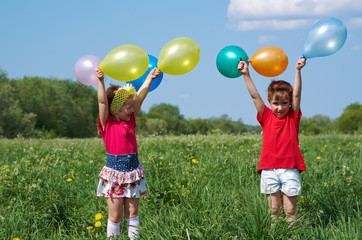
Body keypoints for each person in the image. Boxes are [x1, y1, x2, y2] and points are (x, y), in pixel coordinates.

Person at [238, 58, 307, 224]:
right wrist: (246, 74)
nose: (280, 108)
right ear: (269, 102)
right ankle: (275, 234)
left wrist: (297, 71)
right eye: (276, 103)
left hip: (290, 167)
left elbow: (297, 94)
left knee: (290, 210)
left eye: (284, 103)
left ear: (290, 103)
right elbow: (254, 96)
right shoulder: (266, 116)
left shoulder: (293, 116)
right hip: (269, 169)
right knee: (273, 211)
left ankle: (293, 234)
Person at [96, 67, 160, 239]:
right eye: (128, 107)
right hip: (115, 173)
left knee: (132, 212)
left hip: (133, 172)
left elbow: (141, 96)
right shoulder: (107, 123)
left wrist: (150, 77)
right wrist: (101, 81)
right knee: (115, 216)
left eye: (132, 107)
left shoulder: (130, 120)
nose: (132, 110)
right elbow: (102, 102)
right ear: (116, 109)